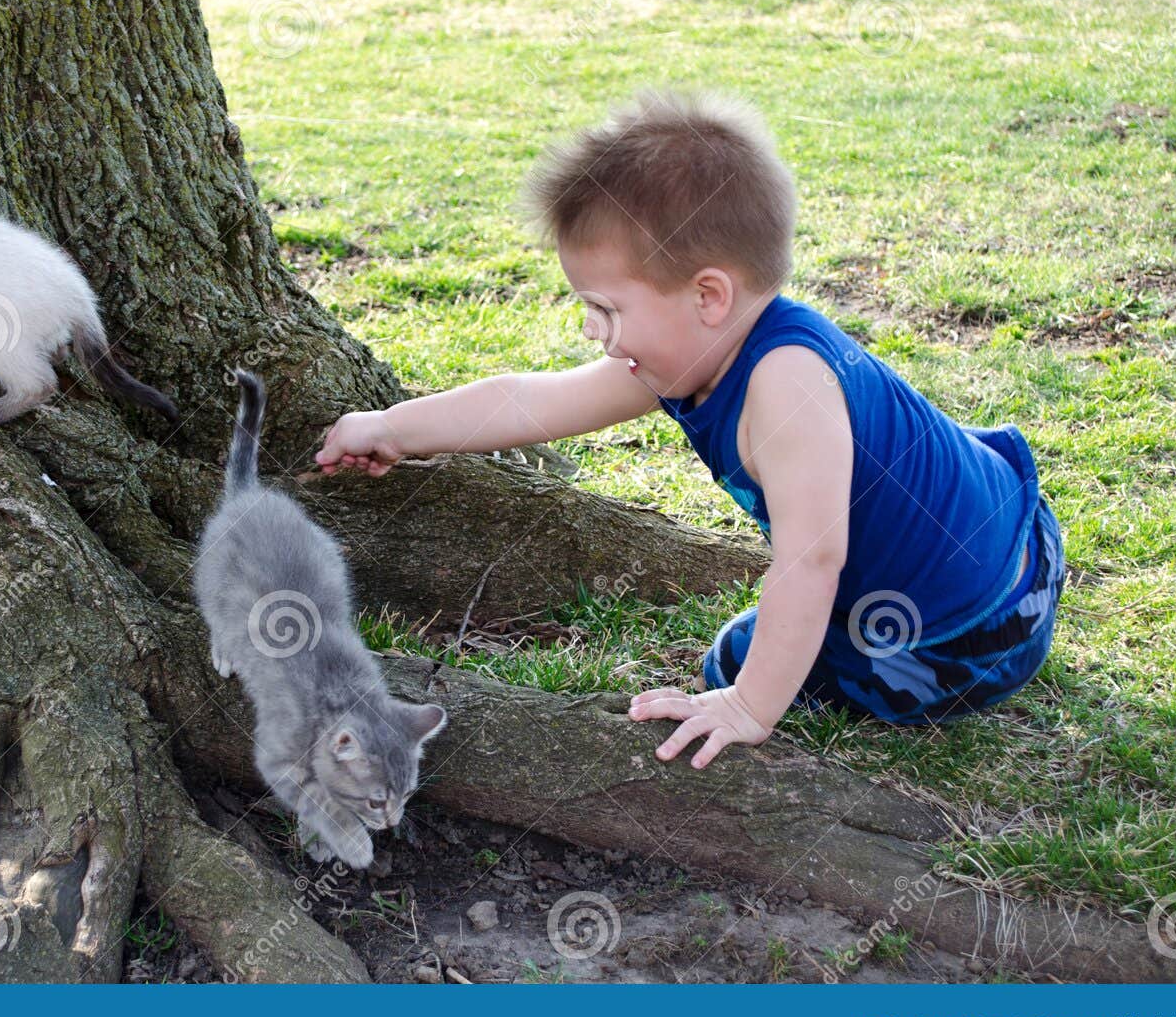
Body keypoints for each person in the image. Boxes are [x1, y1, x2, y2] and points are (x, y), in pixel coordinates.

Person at [315, 90, 1065, 771]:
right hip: (1013, 530)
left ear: (708, 295)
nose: (592, 329)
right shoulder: (692, 351)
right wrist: (394, 427)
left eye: (607, 308)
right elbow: (529, 402)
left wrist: (746, 704)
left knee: (738, 656)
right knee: (765, 634)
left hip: (968, 632)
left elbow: (812, 563)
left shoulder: (785, 384)